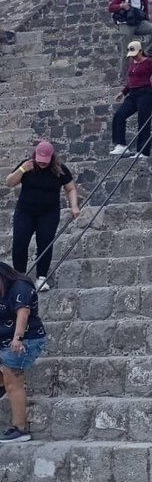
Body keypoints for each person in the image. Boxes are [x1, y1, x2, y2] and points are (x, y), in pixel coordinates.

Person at [5, 142, 80, 292]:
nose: (41, 163)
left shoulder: (59, 169)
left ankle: (41, 277)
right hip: (25, 211)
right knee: (20, 240)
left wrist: (74, 206)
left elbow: (70, 188)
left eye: (45, 160)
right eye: (39, 159)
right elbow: (9, 182)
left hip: (48, 213)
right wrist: (22, 170)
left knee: (45, 242)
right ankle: (19, 276)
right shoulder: (26, 166)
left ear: (52, 158)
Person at [0, 262, 48, 443]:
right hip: (5, 340)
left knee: (13, 382)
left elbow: (23, 314)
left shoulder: (20, 288)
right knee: (6, 380)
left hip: (26, 340)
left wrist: (17, 339)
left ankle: (20, 428)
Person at [111, 41, 152, 160]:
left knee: (143, 122)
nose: (134, 56)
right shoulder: (133, 63)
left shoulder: (148, 62)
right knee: (119, 115)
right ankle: (121, 144)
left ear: (141, 51)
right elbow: (131, 81)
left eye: (135, 54)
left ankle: (143, 152)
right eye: (132, 54)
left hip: (145, 94)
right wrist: (122, 92)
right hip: (132, 94)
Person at [108, 0, 152, 81]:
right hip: (125, 23)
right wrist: (121, 6)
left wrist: (144, 21)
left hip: (138, 23)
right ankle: (122, 77)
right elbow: (111, 8)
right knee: (127, 50)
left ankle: (149, 54)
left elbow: (145, 14)